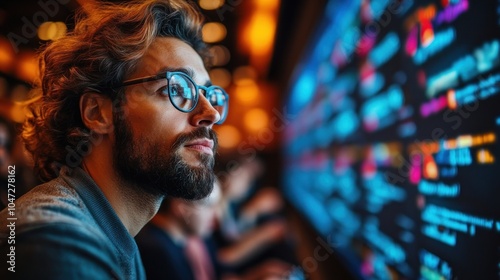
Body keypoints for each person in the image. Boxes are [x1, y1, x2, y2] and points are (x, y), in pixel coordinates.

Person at [0, 0, 228, 279]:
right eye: (177, 88)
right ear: (97, 113)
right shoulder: (57, 240)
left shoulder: (114, 236)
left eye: (210, 95)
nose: (211, 114)